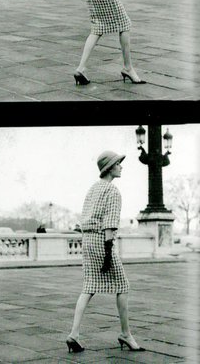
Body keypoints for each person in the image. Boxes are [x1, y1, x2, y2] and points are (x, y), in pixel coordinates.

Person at [67, 151, 144, 353]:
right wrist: (109, 251)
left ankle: (73, 334)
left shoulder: (92, 189)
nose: (121, 166)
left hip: (87, 241)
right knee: (123, 285)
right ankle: (126, 334)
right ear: (110, 168)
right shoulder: (113, 191)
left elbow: (85, 219)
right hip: (103, 242)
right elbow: (109, 223)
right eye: (118, 163)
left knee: (88, 286)